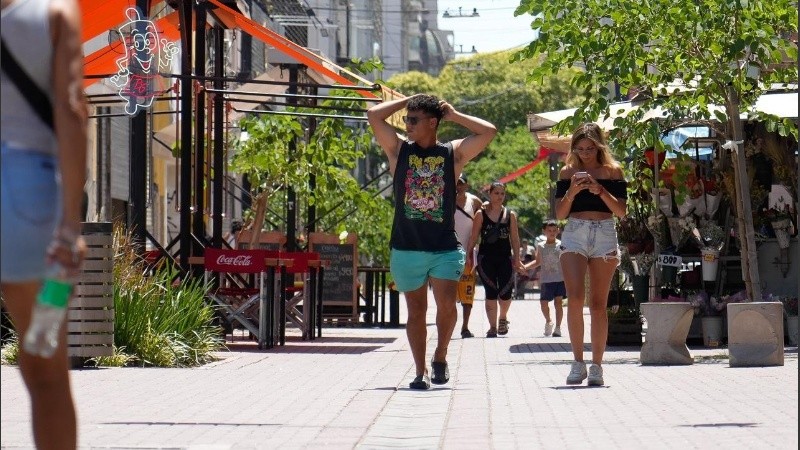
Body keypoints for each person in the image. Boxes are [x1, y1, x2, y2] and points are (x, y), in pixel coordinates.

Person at [1, 0, 88, 448]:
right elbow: (71, 107)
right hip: (28, 201)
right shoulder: (55, 12)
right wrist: (70, 226)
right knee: (45, 368)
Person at [367, 94, 496, 390]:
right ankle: (420, 371)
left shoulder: (453, 154)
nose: (407, 124)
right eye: (406, 119)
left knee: (447, 306)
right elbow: (374, 115)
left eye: (414, 120)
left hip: (444, 247)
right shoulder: (399, 150)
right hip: (406, 246)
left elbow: (488, 132)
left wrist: (455, 115)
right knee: (416, 311)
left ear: (433, 122)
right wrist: (407, 100)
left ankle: (440, 355)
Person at [555, 123, 627, 386]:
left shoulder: (613, 171)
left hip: (605, 232)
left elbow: (621, 212)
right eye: (580, 149)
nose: (585, 154)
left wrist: (600, 190)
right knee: (574, 298)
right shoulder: (567, 172)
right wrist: (572, 191)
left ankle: (597, 366)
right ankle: (578, 362)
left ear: (599, 147)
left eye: (590, 148)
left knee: (598, 304)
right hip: (575, 231)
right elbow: (560, 214)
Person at [468, 181, 523, 338]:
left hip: (505, 258)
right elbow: (473, 237)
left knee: (506, 292)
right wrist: (468, 256)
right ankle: (492, 327)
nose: (499, 196)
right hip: (486, 259)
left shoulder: (510, 215)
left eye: (502, 193)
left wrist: (517, 259)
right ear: (490, 194)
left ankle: (502, 318)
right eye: (496, 193)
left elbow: (515, 239)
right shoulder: (481, 214)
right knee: (491, 292)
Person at [522, 220, 566, 337]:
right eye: (549, 230)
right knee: (543, 303)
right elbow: (538, 262)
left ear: (558, 231)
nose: (552, 232)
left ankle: (558, 328)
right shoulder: (541, 246)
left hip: (560, 279)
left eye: (554, 230)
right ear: (544, 231)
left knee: (558, 303)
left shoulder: (562, 245)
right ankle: (548, 321)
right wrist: (525, 267)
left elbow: (566, 261)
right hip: (546, 280)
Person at [454, 173, 482, 338]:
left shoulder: (474, 201)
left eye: (461, 183)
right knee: (449, 294)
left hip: (469, 253)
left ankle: (465, 327)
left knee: (468, 292)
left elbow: (485, 218)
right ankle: (448, 325)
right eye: (456, 183)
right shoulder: (445, 200)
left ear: (466, 185)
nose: (458, 186)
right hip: (449, 254)